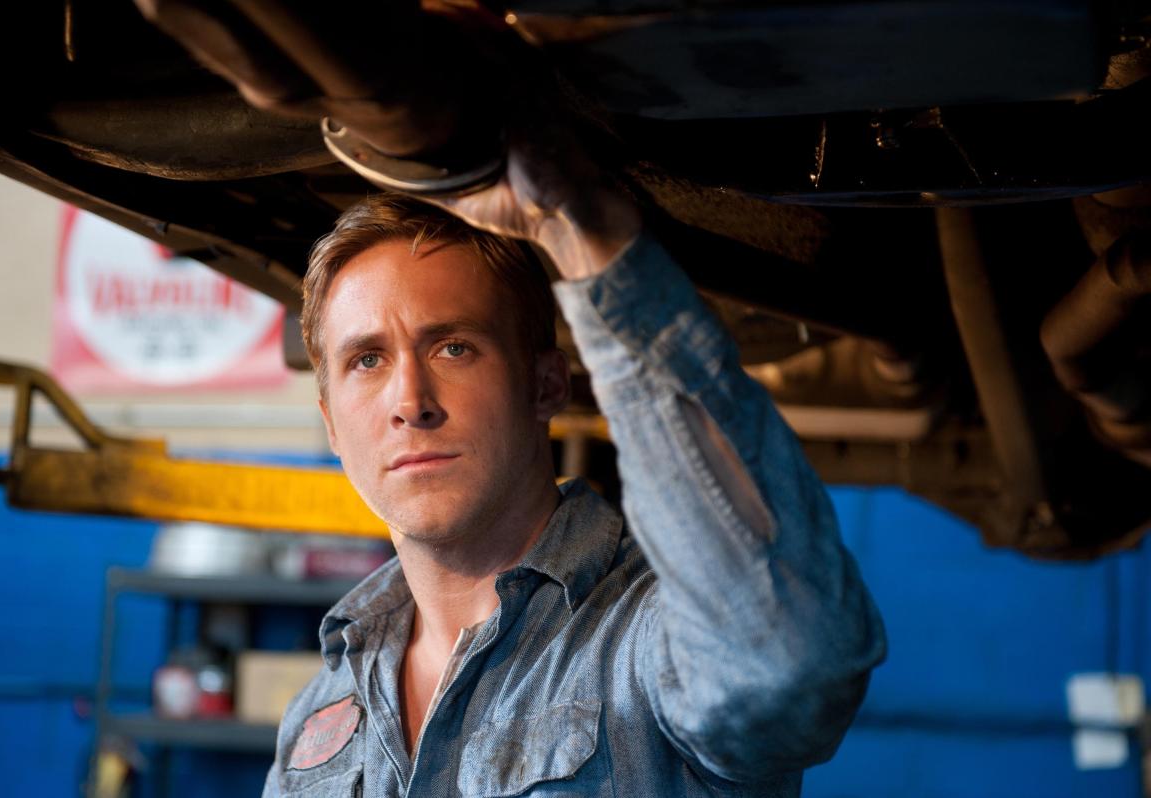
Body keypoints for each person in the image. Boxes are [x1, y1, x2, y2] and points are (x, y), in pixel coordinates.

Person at [263, 116, 886, 797]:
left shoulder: (652, 647)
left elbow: (787, 668)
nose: (410, 401)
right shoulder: (318, 717)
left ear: (546, 385)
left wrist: (589, 241)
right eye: (367, 360)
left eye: (454, 348)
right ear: (331, 424)